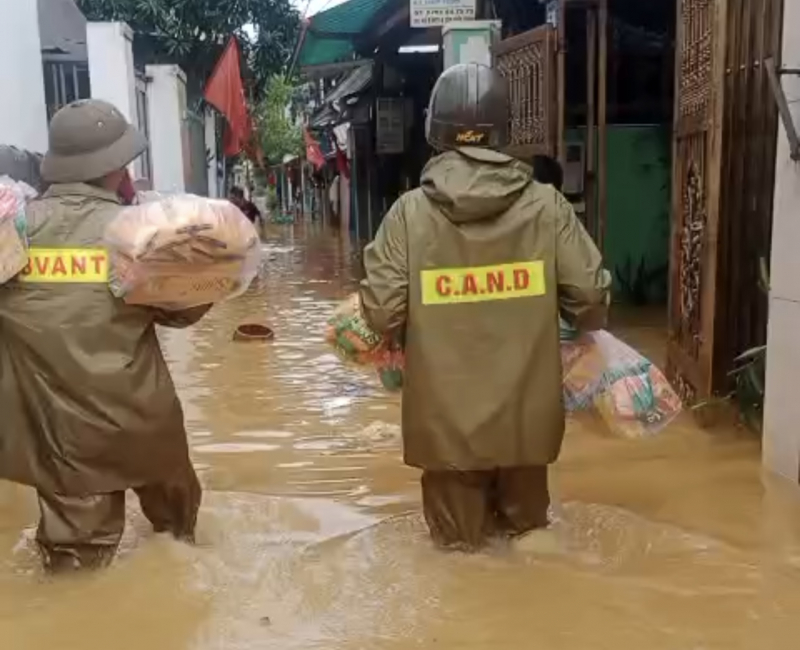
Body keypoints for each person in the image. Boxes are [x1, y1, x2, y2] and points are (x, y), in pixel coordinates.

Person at [359, 63, 611, 551]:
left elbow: (382, 314)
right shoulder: (547, 207)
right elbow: (590, 301)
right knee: (533, 551)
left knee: (460, 564)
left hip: (445, 432)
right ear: (504, 129)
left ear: (435, 128)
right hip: (526, 429)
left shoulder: (409, 215)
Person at [0, 99, 209, 573]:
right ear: (116, 166)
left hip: (58, 435)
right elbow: (185, 313)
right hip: (144, 423)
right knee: (177, 538)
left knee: (75, 574)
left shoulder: (14, 229)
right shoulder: (140, 234)